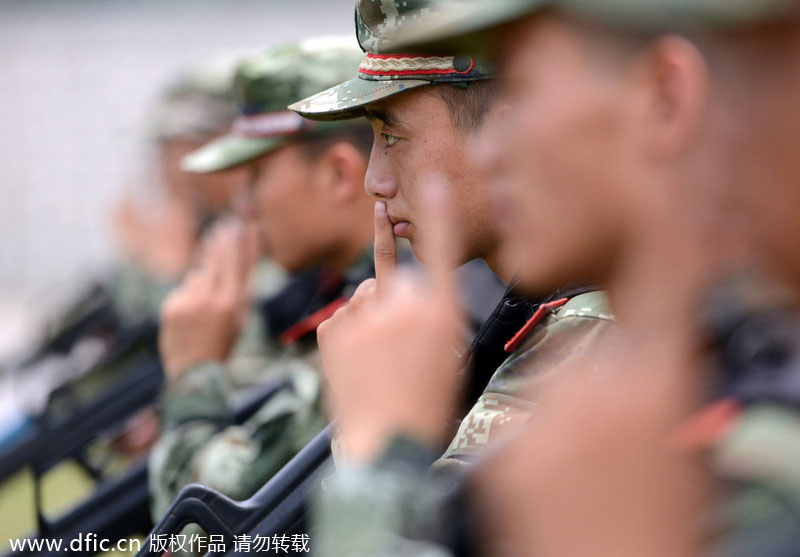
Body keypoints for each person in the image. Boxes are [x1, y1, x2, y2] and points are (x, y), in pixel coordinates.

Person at [339, 0, 800, 555]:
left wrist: (379, 459)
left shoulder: (758, 456)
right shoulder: (703, 378)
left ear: (664, 97)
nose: (491, 150)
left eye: (526, 89)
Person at [288, 3, 620, 555]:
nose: (376, 179)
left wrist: (377, 443)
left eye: (391, 137)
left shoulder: (588, 333)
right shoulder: (555, 311)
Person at [147, 37, 379, 526]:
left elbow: (199, 529)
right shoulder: (346, 291)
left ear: (338, 174)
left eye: (255, 177)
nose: (244, 205)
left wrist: (194, 373)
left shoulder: (378, 317)